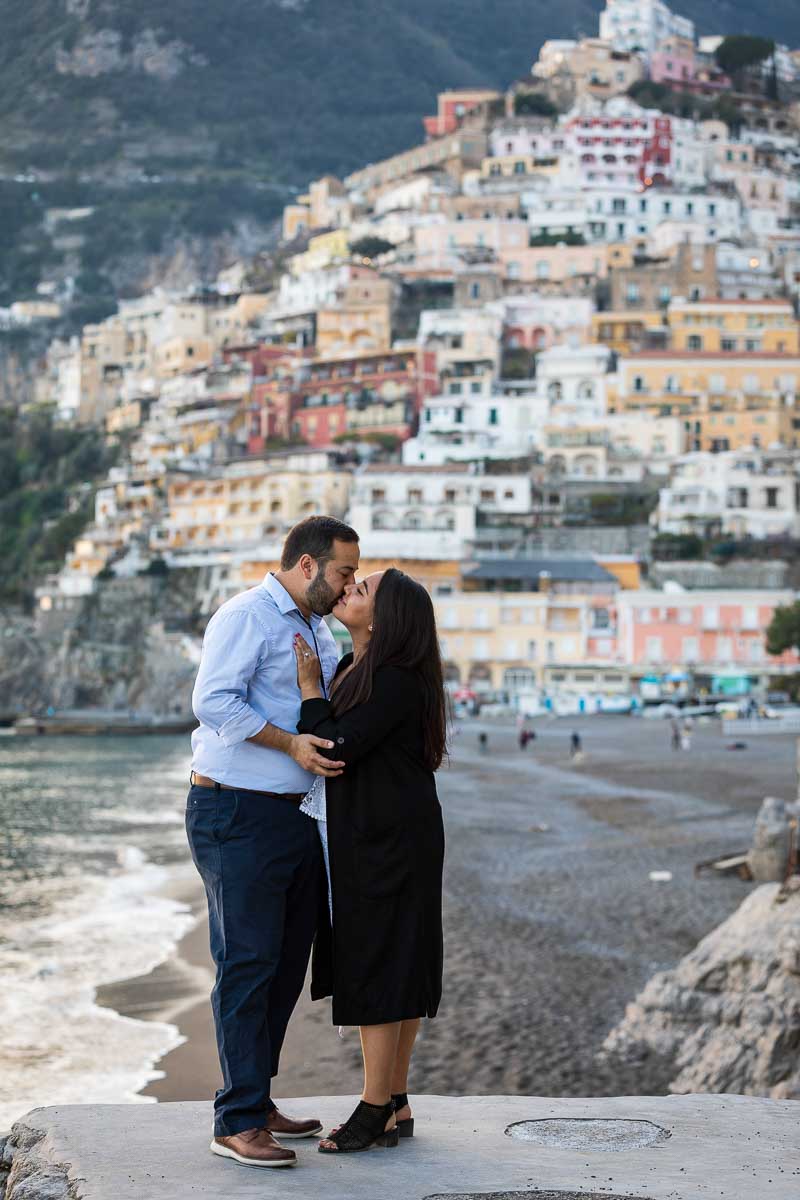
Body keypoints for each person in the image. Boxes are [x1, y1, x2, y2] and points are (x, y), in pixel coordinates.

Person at [186, 516, 360, 1170]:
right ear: (310, 565)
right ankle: (234, 1121)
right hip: (235, 811)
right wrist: (290, 743)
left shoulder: (316, 626)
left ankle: (256, 1101)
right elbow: (216, 705)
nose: (348, 585)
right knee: (248, 962)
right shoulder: (246, 615)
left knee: (287, 964)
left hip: (296, 815)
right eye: (343, 572)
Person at [293, 567, 447, 1155]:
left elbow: (334, 747)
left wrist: (310, 690)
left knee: (381, 964)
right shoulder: (364, 671)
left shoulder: (395, 678)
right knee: (394, 961)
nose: (349, 590)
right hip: (382, 833)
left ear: (388, 619)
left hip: (391, 840)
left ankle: (374, 1104)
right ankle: (396, 1100)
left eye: (363, 590)